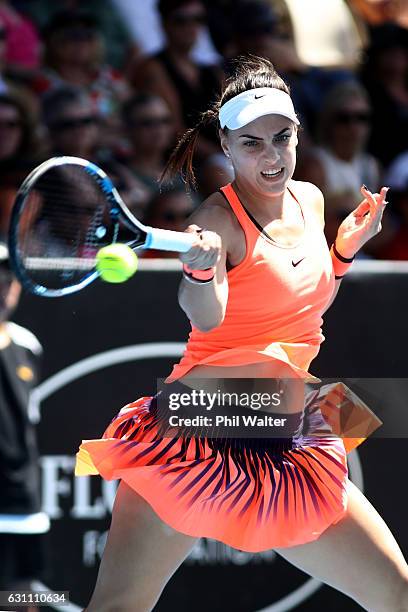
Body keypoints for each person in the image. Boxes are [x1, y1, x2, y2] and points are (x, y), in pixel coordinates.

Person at [75, 57, 408, 612]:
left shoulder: (313, 199)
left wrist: (343, 254)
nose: (272, 156)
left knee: (398, 593)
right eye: (252, 143)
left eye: (282, 137)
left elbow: (304, 312)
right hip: (201, 423)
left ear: (299, 132)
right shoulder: (216, 222)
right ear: (226, 146)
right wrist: (201, 268)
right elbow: (205, 318)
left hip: (287, 427)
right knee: (118, 607)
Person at [0, 242, 50, 609]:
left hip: (23, 503)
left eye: (9, 279)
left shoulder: (29, 346)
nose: (3, 288)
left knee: (20, 599)